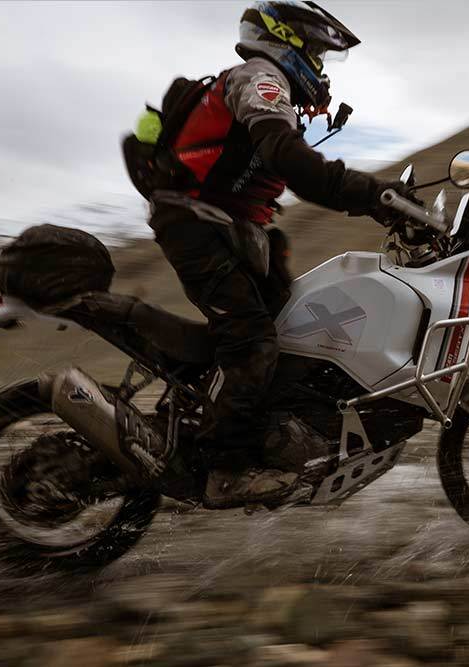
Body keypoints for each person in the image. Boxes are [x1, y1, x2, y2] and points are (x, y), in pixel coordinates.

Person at [146, 1, 415, 506]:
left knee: (291, 322)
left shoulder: (267, 82)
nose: (319, 67)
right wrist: (372, 195)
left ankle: (259, 431)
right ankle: (225, 469)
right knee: (251, 338)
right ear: (285, 42)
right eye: (316, 53)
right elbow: (289, 159)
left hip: (226, 226)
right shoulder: (261, 77)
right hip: (194, 224)